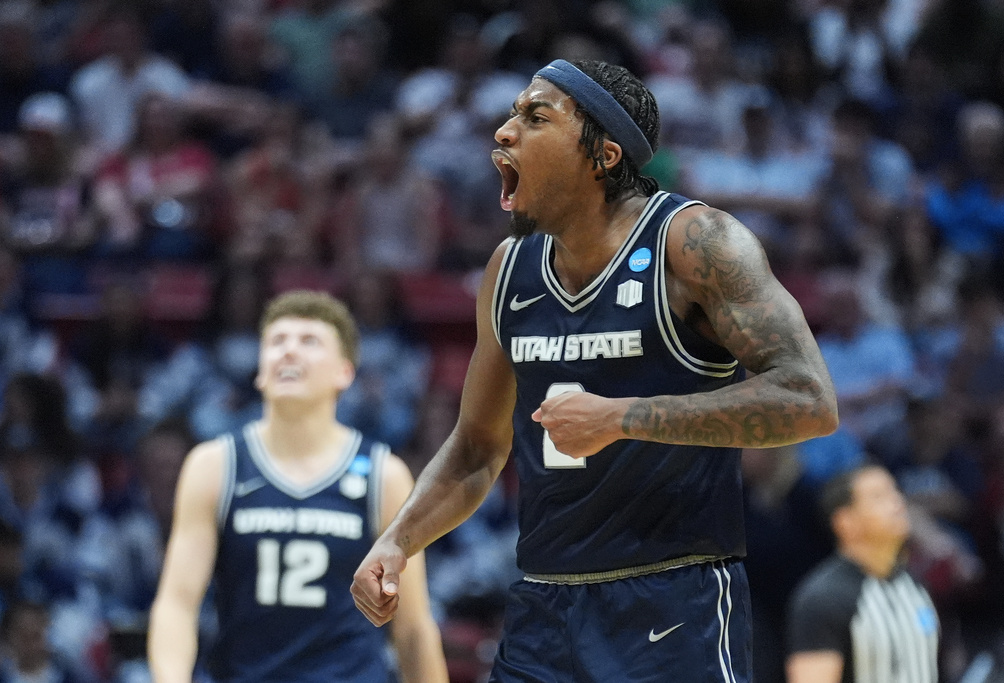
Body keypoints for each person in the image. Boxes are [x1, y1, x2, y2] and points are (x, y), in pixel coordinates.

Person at [352, 58, 839, 681]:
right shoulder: (509, 269)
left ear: (603, 155)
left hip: (672, 602)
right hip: (543, 607)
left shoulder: (695, 243)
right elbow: (476, 449)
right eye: (512, 114)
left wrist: (622, 418)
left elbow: (809, 398)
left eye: (536, 117)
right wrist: (398, 540)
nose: (504, 131)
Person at [148, 290, 447, 682]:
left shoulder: (383, 474)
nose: (289, 351)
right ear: (260, 371)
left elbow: (412, 628)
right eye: (277, 342)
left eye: (309, 341)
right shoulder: (215, 466)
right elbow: (177, 604)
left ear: (345, 372)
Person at [786, 465, 940, 683]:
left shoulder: (914, 584)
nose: (897, 503)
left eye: (895, 492)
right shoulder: (822, 599)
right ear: (845, 522)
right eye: (879, 497)